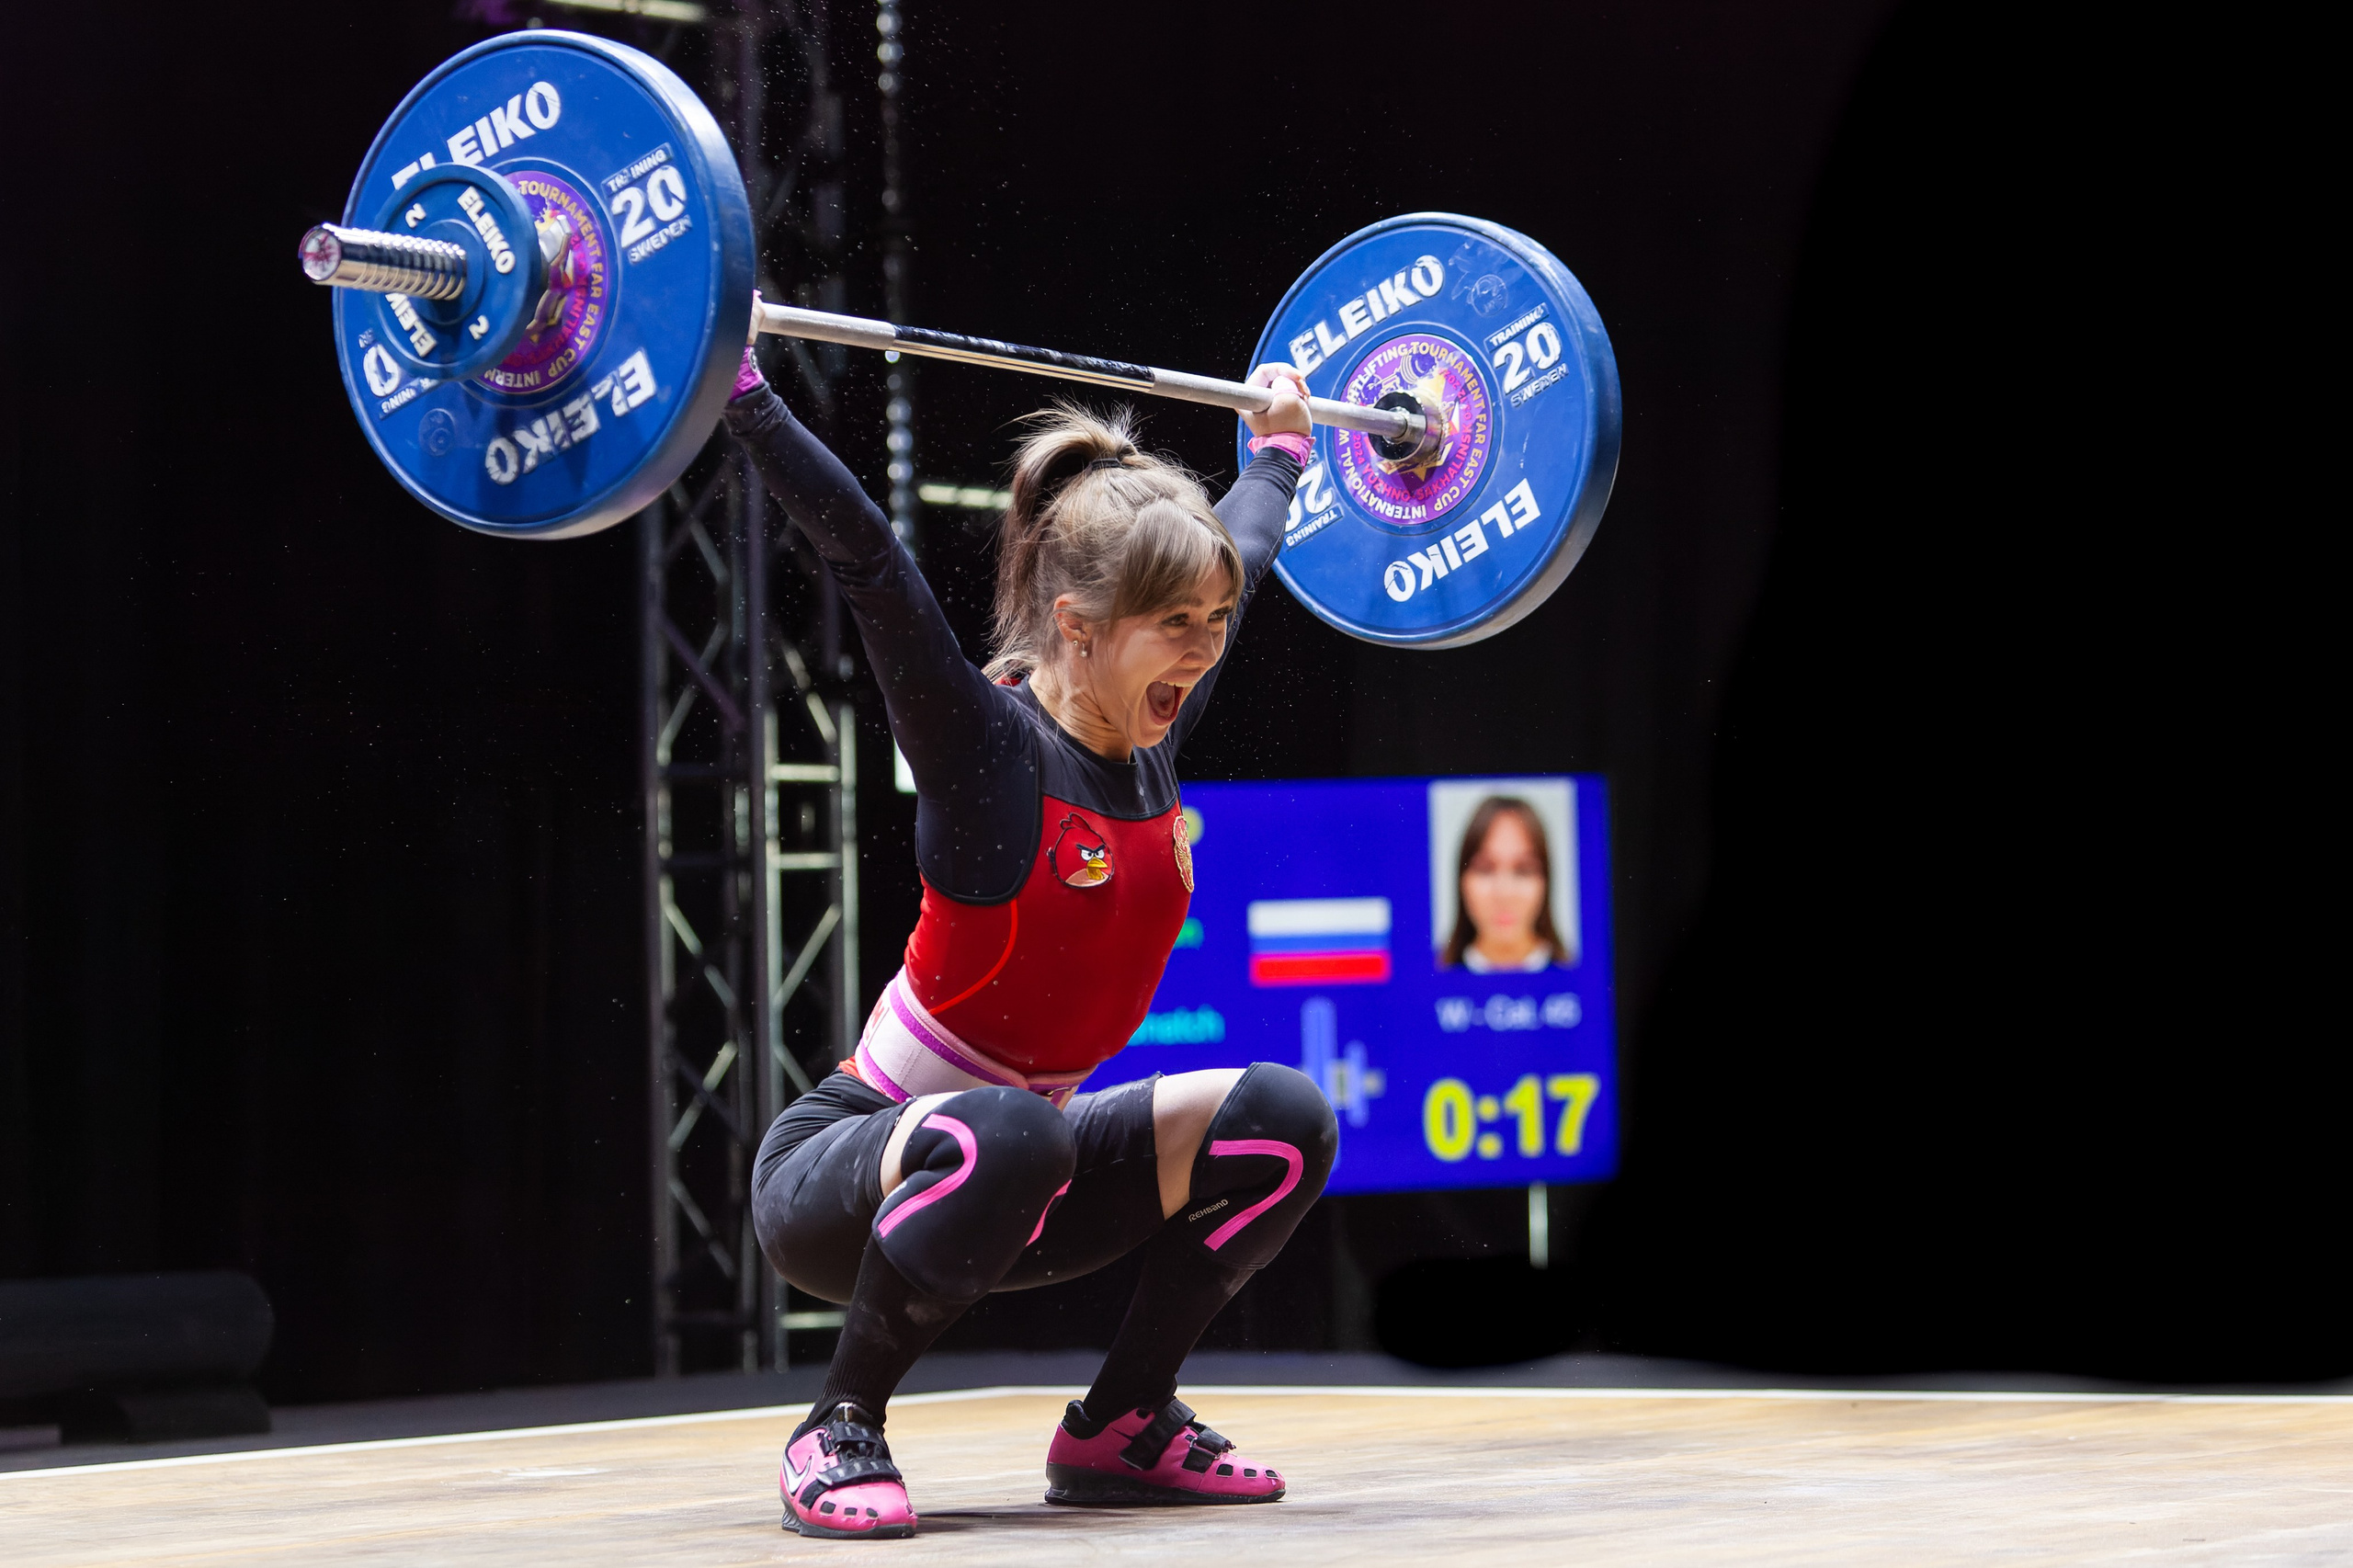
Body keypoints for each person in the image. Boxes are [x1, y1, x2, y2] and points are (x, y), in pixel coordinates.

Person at [722, 317, 1338, 1540]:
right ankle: (839, 1422)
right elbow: (866, 558)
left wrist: (1275, 456)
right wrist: (738, 389)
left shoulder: (1150, 723)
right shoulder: (987, 749)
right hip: (848, 1172)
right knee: (1015, 1134)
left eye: (1215, 623)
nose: (1206, 648)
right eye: (1180, 624)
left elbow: (1251, 555)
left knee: (1285, 1120)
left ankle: (1124, 1420)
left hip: (1032, 1162)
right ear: (1077, 625)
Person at [1439, 796, 1569, 971]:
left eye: (1523, 870)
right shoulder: (1429, 979)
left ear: (1546, 880)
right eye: (1485, 869)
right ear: (1461, 879)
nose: (1504, 893)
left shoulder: (1582, 978)